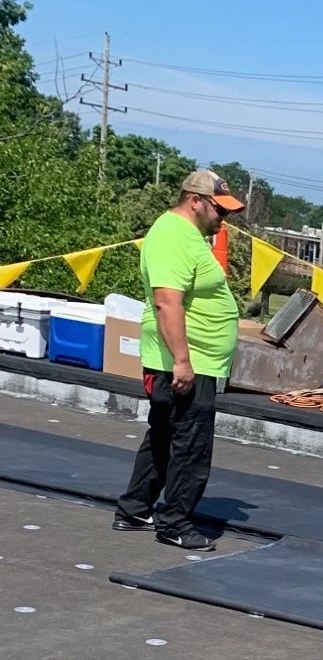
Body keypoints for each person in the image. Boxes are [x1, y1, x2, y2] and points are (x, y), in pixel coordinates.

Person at [114, 169, 246, 550]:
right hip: (188, 360)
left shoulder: (188, 236)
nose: (225, 219)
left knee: (165, 433)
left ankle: (135, 507)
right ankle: (174, 522)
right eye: (219, 210)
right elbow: (167, 301)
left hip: (190, 358)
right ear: (195, 201)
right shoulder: (173, 236)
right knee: (190, 442)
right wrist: (183, 361)